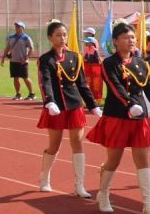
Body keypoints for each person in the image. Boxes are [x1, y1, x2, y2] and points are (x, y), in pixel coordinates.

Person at [86, 21, 150, 214]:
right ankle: (103, 194)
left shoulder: (141, 63)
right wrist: (128, 104)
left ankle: (148, 205)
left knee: (143, 160)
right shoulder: (109, 63)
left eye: (133, 37)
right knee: (114, 160)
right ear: (116, 41)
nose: (130, 40)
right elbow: (115, 86)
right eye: (126, 37)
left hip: (139, 117)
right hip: (118, 116)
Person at [36, 20, 102, 197]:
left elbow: (82, 83)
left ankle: (79, 185)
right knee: (54, 144)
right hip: (56, 106)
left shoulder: (75, 57)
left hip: (74, 105)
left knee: (77, 143)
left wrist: (92, 105)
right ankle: (45, 177)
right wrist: (49, 101)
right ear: (50, 37)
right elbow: (46, 82)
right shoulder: (46, 59)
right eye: (58, 35)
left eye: (64, 34)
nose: (62, 38)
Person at [0, 20, 36, 100]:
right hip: (13, 61)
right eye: (16, 26)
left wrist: (26, 58)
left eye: (18, 26)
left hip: (22, 62)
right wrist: (3, 58)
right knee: (15, 77)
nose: (16, 27)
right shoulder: (11, 37)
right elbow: (7, 48)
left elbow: (31, 48)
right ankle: (18, 94)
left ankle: (32, 94)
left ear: (22, 28)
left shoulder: (26, 37)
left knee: (25, 77)